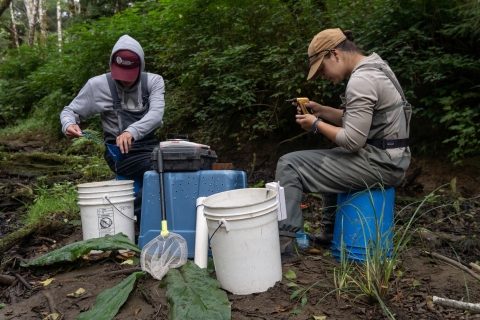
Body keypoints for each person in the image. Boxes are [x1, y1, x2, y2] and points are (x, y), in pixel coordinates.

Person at [277, 28, 411, 253]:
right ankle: (330, 233)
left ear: (335, 54)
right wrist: (321, 111)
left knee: (288, 164)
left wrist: (315, 125)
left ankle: (283, 242)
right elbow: (360, 120)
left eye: (322, 69)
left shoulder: (361, 80)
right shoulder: (377, 66)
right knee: (332, 154)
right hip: (391, 158)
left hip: (382, 163)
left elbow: (352, 141)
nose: (323, 76)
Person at [60, 34, 165, 224]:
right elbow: (71, 111)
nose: (124, 81)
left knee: (174, 163)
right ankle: (136, 219)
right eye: (120, 75)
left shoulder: (153, 82)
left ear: (140, 66)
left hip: (150, 148)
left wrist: (131, 131)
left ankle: (131, 209)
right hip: (121, 155)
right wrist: (69, 124)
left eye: (129, 76)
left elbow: (156, 115)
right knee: (162, 167)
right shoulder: (97, 85)